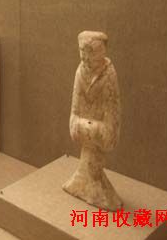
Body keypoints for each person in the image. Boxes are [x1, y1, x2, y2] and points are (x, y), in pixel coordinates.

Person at [62, 31, 123, 211]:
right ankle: (85, 183)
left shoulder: (109, 74)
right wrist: (78, 124)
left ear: (102, 52)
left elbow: (112, 117)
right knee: (82, 133)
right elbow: (74, 111)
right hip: (83, 125)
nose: (86, 59)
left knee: (95, 151)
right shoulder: (80, 71)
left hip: (102, 130)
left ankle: (92, 183)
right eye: (82, 52)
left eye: (91, 53)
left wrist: (95, 129)